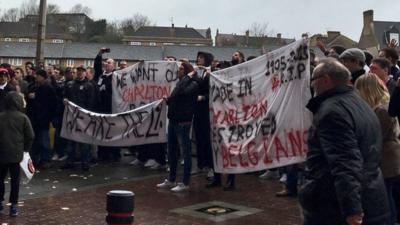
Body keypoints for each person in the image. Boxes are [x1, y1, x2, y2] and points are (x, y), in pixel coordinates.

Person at [300, 58, 389, 225]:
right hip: (371, 193)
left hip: (334, 206)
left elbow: (345, 163)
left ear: (325, 80)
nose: (312, 85)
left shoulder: (332, 113)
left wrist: (352, 210)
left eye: (314, 80)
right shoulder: (360, 104)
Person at [355, 74, 400, 225]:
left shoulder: (381, 110)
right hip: (390, 158)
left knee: (386, 199)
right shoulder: (384, 105)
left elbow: (377, 135)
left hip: (386, 160)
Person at [156, 61, 199, 192]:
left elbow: (181, 93)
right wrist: (168, 100)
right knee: (172, 151)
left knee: (186, 153)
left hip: (183, 121)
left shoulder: (193, 83)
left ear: (187, 71)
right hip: (174, 119)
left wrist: (187, 78)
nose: (178, 71)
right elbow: (175, 97)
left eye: (181, 69)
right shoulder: (181, 82)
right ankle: (171, 179)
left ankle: (185, 182)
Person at [0, 92, 34, 217]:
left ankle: (0, 201)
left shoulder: (1, 116)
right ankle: (14, 206)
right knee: (15, 180)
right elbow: (30, 136)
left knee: (0, 179)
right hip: (16, 154)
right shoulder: (23, 117)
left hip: (1, 153)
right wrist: (25, 149)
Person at [62, 65, 96, 171]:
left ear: (85, 73)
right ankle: (70, 161)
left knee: (84, 140)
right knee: (70, 139)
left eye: (82, 71)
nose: (80, 72)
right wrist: (64, 100)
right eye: (79, 71)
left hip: (83, 117)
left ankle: (85, 162)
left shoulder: (89, 86)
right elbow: (64, 96)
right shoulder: (70, 84)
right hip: (71, 116)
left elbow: (91, 102)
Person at [94, 48, 120, 162]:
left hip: (111, 109)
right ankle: (102, 154)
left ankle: (113, 155)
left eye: (109, 62)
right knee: (101, 132)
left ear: (114, 66)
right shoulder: (101, 76)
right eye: (106, 62)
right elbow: (96, 66)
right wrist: (100, 54)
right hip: (100, 109)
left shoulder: (116, 76)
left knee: (111, 132)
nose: (106, 64)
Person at [28, 69, 57, 169]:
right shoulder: (36, 86)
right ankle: (37, 159)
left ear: (42, 77)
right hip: (36, 118)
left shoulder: (48, 87)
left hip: (43, 118)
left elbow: (51, 103)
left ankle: (46, 159)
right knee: (37, 140)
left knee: (44, 140)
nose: (35, 77)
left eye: (37, 76)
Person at [193, 51, 214, 175]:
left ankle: (209, 165)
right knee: (198, 137)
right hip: (197, 109)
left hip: (206, 109)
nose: (199, 59)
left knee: (207, 138)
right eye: (198, 57)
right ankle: (200, 164)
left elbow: (212, 91)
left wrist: (204, 97)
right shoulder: (196, 72)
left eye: (201, 57)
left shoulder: (211, 73)